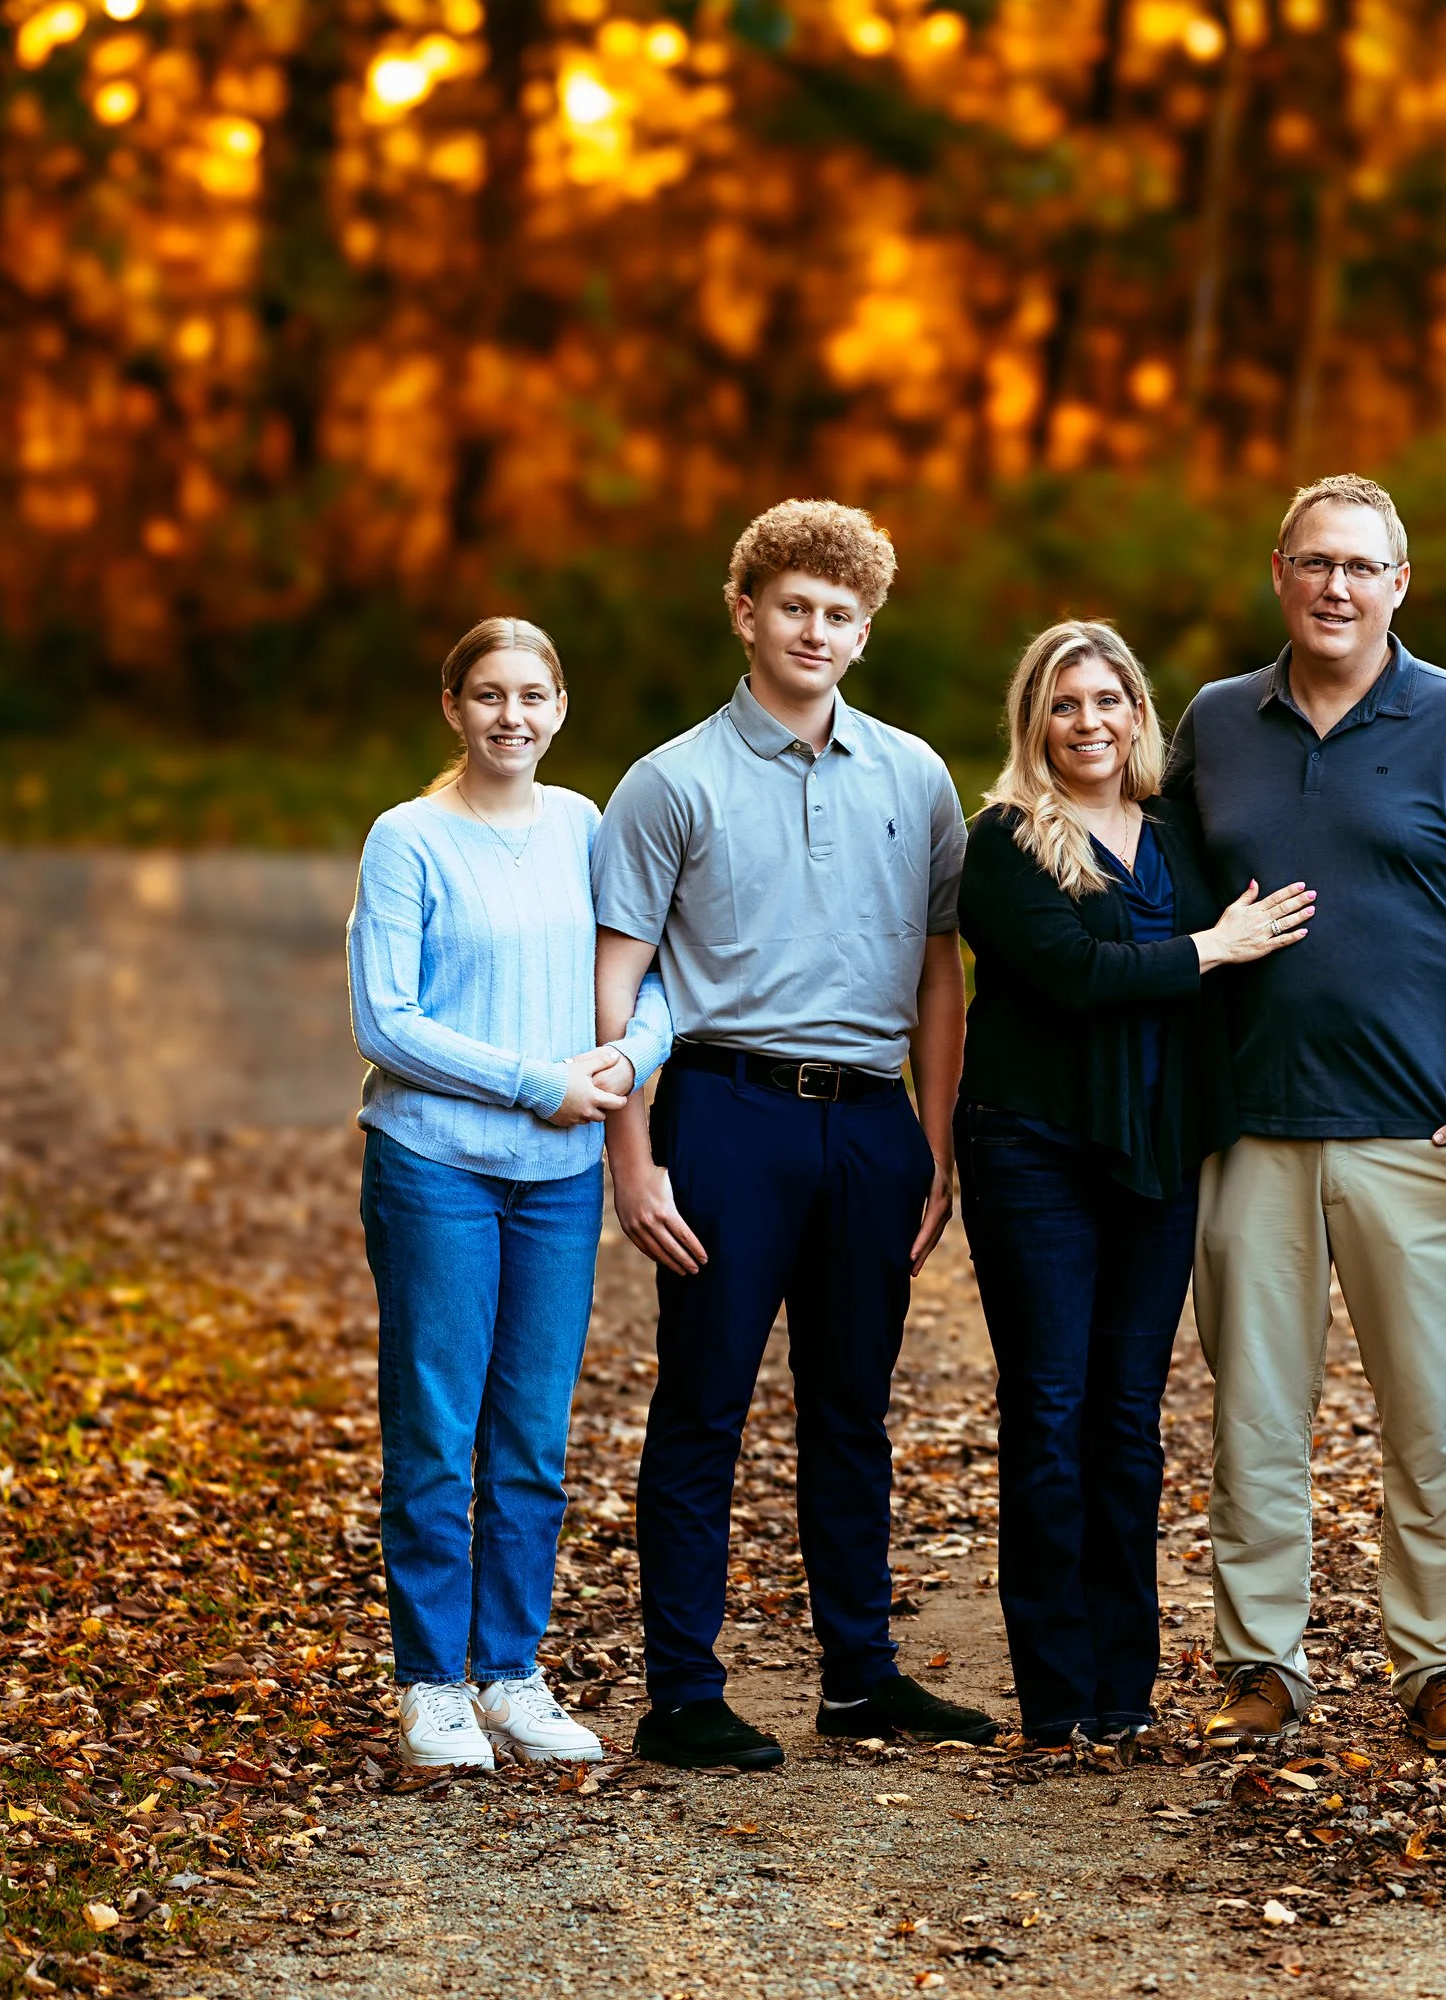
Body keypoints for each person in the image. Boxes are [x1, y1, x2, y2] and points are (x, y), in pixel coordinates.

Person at [592, 500, 999, 1770]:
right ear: (744, 610)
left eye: (840, 613)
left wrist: (931, 1147)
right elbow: (618, 984)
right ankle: (681, 1688)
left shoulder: (915, 775)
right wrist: (632, 1154)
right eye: (793, 606)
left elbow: (943, 975)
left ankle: (860, 1676)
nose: (814, 629)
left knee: (851, 1410)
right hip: (725, 1115)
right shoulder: (669, 782)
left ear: (864, 630)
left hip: (871, 1126)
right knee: (702, 1406)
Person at [1167, 473, 1446, 1756]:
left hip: (1420, 1137)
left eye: (1362, 567)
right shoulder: (1217, 722)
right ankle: (1261, 1665)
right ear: (1277, 570)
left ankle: (1444, 1669)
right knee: (1255, 1417)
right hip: (1251, 1128)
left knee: (1434, 1415)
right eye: (1315, 562)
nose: (1337, 587)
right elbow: (1158, 902)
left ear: (1400, 583)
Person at [957, 621, 1314, 1748]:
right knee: (1049, 1409)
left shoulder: (1178, 838)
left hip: (1158, 1156)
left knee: (1127, 1418)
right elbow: (1072, 974)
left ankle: (1125, 1685)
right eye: (1064, 704)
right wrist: (1212, 946)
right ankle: (1057, 1692)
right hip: (1036, 1152)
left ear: (1136, 714)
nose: (1088, 722)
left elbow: (1253, 954)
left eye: (1107, 699)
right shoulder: (1005, 841)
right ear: (1035, 722)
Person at [348, 616, 673, 1771]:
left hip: (558, 1181)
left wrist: (631, 1059)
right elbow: (385, 1017)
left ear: (562, 706)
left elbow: (653, 981)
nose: (511, 716)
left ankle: (510, 1672)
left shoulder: (589, 827)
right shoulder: (409, 838)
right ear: (454, 707)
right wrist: (540, 1081)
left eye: (532, 694)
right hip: (435, 1161)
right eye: (488, 694)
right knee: (436, 1428)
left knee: (531, 1431)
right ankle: (432, 1684)